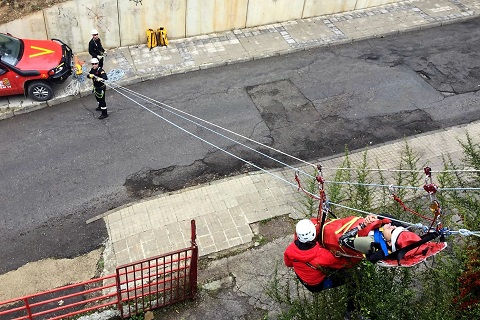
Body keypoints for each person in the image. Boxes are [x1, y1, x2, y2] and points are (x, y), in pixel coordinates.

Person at [284, 219, 356, 317]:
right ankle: (351, 310)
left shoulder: (290, 249)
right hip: (317, 285)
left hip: (302, 278)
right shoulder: (321, 255)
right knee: (352, 280)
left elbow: (288, 264)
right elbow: (344, 263)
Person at [322, 214, 447, 267]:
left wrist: (363, 225)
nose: (393, 226)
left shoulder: (370, 244)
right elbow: (389, 219)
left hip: (333, 233)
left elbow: (342, 241)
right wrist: (376, 217)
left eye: (393, 230)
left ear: (388, 242)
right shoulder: (387, 234)